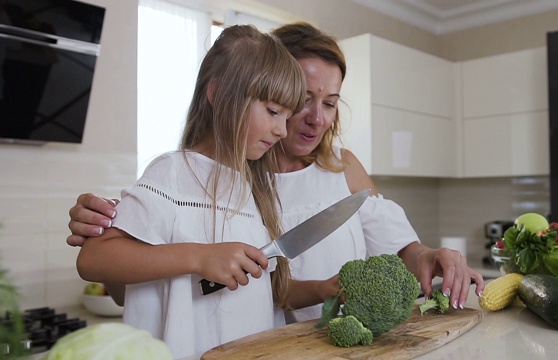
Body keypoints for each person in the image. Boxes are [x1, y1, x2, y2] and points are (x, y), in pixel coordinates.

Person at [68, 22, 484, 325]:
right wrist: (111, 229)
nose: (310, 120)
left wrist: (427, 257)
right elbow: (121, 278)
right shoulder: (213, 177)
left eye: (331, 103)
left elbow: (400, 250)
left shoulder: (331, 170)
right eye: (295, 102)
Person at [74, 24, 306, 359]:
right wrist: (199, 256)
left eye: (286, 117)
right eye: (273, 111)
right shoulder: (172, 173)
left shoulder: (256, 190)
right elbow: (94, 258)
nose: (282, 130)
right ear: (218, 95)